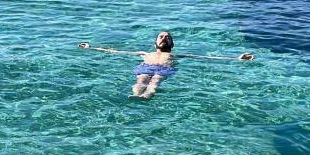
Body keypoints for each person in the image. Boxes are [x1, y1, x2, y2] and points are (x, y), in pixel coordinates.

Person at [79, 32, 253, 99]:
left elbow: (205, 57)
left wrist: (236, 58)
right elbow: (116, 51)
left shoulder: (175, 55)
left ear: (172, 44)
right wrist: (92, 48)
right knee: (141, 81)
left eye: (167, 37)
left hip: (164, 69)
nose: (164, 38)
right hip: (145, 66)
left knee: (154, 82)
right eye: (161, 36)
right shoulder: (145, 54)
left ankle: (147, 97)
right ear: (155, 43)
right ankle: (137, 95)